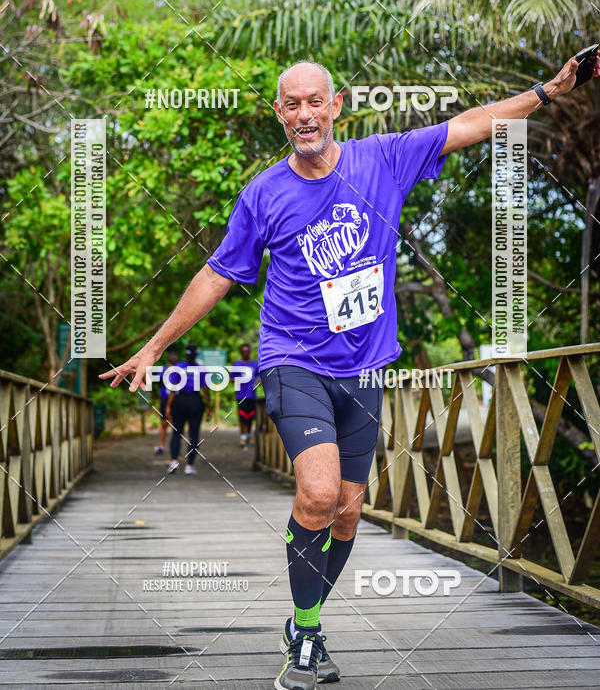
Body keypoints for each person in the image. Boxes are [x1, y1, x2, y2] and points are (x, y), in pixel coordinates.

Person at [100, 52, 600, 689]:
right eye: (292, 104)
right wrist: (151, 348)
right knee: (316, 493)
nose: (305, 114)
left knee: (346, 511)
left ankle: (303, 619)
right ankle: (306, 636)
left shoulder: (383, 159)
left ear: (335, 107)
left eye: (316, 101)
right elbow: (217, 275)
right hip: (292, 359)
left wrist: (547, 91)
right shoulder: (264, 194)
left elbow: (473, 124)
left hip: (365, 367)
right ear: (278, 114)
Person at [165, 342, 211, 475]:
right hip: (195, 402)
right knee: (194, 435)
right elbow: (206, 391)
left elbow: (173, 388)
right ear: (196, 354)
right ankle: (189, 465)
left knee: (176, 433)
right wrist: (209, 408)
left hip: (180, 402)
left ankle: (174, 461)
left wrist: (168, 406)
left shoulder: (178, 367)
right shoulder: (201, 369)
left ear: (185, 354)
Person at [231, 343, 260, 446]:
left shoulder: (255, 364)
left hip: (252, 395)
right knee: (242, 417)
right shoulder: (236, 364)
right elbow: (231, 378)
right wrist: (236, 380)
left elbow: (259, 377)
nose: (245, 353)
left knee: (251, 417)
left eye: (247, 351)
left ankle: (249, 435)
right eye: (243, 351)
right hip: (241, 396)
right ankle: (243, 438)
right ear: (241, 352)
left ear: (250, 352)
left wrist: (258, 381)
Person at [153, 345, 179, 455]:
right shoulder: (163, 369)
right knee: (164, 423)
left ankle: (175, 447)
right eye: (171, 355)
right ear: (168, 357)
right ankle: (160, 445)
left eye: (175, 355)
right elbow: (158, 380)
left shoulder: (180, 369)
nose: (173, 357)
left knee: (177, 424)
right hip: (165, 398)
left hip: (177, 399)